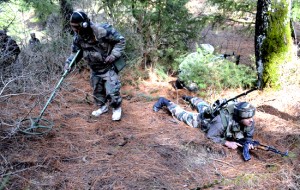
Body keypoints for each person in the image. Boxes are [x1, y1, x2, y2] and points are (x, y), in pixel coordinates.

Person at [64, 11, 126, 121]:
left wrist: (113, 55)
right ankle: (103, 107)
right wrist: (69, 64)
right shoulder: (78, 38)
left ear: (84, 24)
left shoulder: (102, 30)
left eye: (76, 26)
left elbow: (120, 40)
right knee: (97, 91)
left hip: (108, 67)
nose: (74, 29)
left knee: (112, 91)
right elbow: (75, 53)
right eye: (72, 26)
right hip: (95, 69)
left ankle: (116, 108)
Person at [153, 96, 256, 150]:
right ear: (239, 116)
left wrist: (248, 142)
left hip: (213, 115)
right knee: (183, 115)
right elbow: (210, 136)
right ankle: (165, 102)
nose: (251, 120)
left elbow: (248, 136)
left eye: (251, 116)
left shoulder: (249, 122)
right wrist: (227, 143)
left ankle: (189, 98)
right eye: (247, 117)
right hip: (203, 121)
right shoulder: (221, 122)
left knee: (204, 106)